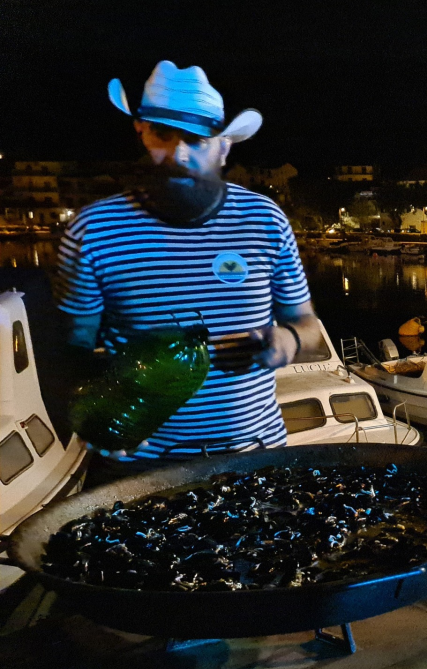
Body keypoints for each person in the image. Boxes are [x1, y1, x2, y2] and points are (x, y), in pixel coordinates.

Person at [56, 61, 324, 483]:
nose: (179, 154)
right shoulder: (93, 230)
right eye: (163, 134)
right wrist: (91, 411)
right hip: (138, 470)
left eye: (197, 139)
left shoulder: (265, 219)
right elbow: (71, 348)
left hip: (256, 457)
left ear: (224, 147)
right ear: (141, 131)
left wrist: (287, 340)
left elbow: (307, 324)